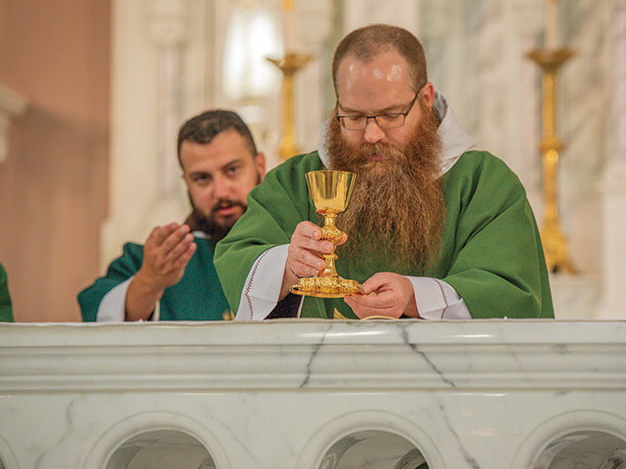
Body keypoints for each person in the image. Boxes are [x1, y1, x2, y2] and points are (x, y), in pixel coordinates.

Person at [215, 24, 553, 320]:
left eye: (391, 115)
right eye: (355, 116)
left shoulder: (483, 184)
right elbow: (238, 259)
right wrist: (287, 266)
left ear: (425, 98)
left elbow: (511, 292)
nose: (372, 135)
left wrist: (414, 296)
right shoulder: (296, 182)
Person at [78, 110, 266, 321]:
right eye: (202, 178)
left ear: (260, 166)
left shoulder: (297, 244)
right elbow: (98, 314)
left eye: (232, 170)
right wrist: (149, 282)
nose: (220, 192)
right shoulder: (157, 261)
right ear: (186, 182)